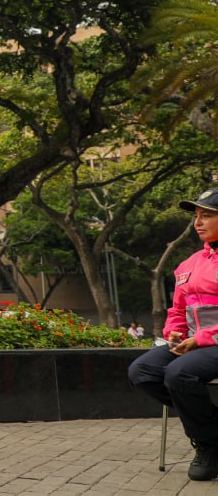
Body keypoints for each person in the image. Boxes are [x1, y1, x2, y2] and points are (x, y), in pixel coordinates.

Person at [129, 185, 218, 481]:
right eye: (196, 216)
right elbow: (177, 310)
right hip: (195, 345)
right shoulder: (188, 264)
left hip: (208, 344)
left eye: (207, 215)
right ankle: (211, 435)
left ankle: (207, 444)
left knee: (179, 373)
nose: (198, 222)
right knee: (142, 371)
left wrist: (199, 340)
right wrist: (176, 334)